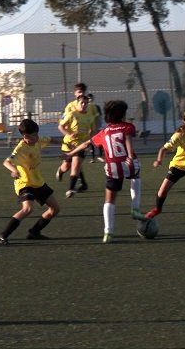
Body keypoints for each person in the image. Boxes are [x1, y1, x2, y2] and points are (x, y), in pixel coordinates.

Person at [64, 100, 144, 243]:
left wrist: (71, 153)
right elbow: (127, 140)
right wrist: (130, 155)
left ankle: (108, 232)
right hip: (128, 163)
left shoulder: (104, 132)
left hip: (112, 167)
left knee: (110, 200)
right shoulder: (127, 127)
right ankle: (135, 208)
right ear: (122, 114)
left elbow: (86, 144)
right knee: (136, 177)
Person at [0, 118, 61, 245]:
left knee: (55, 209)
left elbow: (51, 139)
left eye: (37, 134)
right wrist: (14, 170)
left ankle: (34, 232)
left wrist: (65, 144)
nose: (37, 137)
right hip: (24, 183)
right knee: (28, 209)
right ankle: (3, 234)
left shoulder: (37, 141)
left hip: (38, 181)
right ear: (25, 136)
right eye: (34, 135)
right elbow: (6, 162)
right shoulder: (20, 149)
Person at [57, 85, 99, 197]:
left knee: (76, 166)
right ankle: (61, 171)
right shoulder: (70, 109)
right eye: (79, 92)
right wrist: (69, 134)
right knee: (66, 166)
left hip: (82, 144)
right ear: (76, 95)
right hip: (69, 143)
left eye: (83, 92)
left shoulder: (91, 110)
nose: (84, 104)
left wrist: (92, 139)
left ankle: (70, 189)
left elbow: (94, 126)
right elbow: (61, 125)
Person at [86, 94, 104, 163]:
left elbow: (99, 117)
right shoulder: (86, 107)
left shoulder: (97, 107)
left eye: (91, 98)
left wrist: (99, 126)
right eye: (88, 98)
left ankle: (101, 156)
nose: (90, 99)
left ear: (93, 98)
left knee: (99, 140)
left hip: (97, 127)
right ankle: (92, 158)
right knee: (91, 142)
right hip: (89, 128)